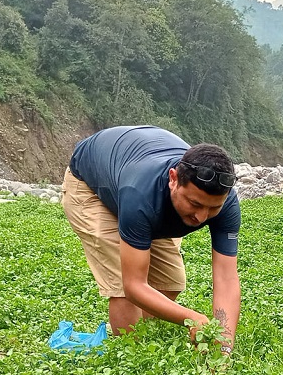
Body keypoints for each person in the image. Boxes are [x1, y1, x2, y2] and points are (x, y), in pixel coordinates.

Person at [62, 125, 240, 354]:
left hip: (136, 179)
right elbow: (133, 286)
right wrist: (191, 318)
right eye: (195, 204)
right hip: (91, 185)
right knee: (123, 290)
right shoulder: (141, 194)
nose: (201, 217)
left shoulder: (227, 206)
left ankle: (132, 331)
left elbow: (226, 278)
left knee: (170, 282)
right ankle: (131, 356)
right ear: (173, 179)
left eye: (213, 208)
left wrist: (223, 348)